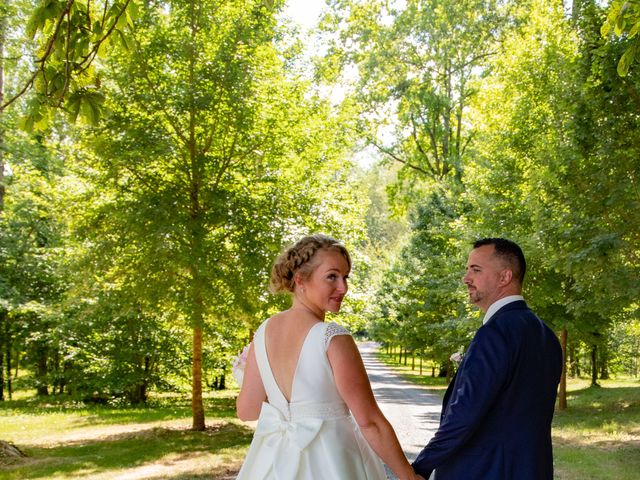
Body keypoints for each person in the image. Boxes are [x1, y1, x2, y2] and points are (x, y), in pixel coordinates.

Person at [236, 234, 419, 480]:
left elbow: (247, 411)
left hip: (271, 465)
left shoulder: (263, 333)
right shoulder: (332, 337)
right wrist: (408, 476)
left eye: (345, 277)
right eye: (332, 276)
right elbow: (370, 422)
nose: (343, 287)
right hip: (332, 463)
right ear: (301, 280)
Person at [412, 238, 563, 480]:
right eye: (467, 269)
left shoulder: (495, 333)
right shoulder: (547, 336)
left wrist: (420, 467)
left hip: (484, 470)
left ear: (504, 277)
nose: (466, 278)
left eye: (476, 270)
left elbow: (464, 414)